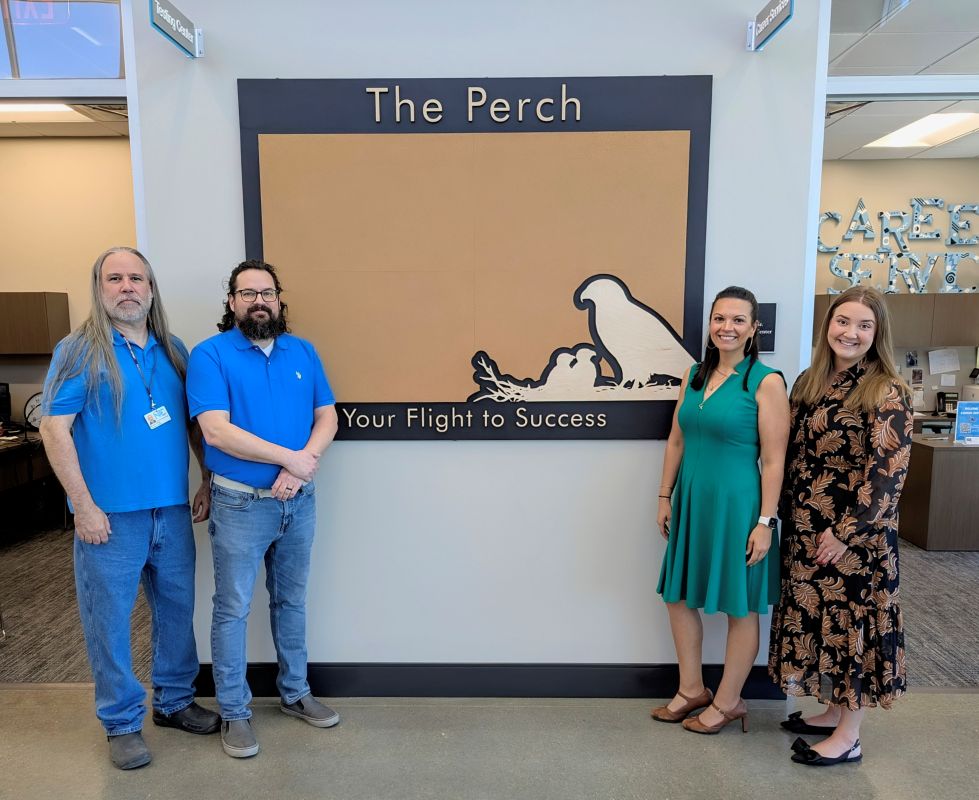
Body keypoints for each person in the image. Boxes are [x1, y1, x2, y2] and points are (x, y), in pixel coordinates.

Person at [40, 247, 220, 770]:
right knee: (110, 621)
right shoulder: (77, 350)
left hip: (171, 511)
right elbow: (54, 429)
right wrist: (83, 506)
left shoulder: (173, 348)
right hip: (109, 518)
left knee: (175, 612)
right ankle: (121, 722)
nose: (126, 287)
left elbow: (192, 423)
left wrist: (206, 478)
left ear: (151, 288)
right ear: (99, 289)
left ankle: (174, 701)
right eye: (114, 278)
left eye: (136, 278)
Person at [186, 259, 339, 759]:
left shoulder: (302, 351)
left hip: (299, 502)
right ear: (231, 303)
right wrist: (288, 458)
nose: (258, 301)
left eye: (267, 292)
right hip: (239, 504)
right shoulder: (210, 356)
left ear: (279, 300)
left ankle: (296, 694)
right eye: (247, 293)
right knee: (231, 609)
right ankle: (234, 712)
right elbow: (216, 431)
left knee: (291, 602)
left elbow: (326, 416)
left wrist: (301, 467)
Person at [769, 285, 912, 766]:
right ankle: (833, 710)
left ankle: (849, 736)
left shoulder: (885, 389)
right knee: (822, 624)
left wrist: (846, 532)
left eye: (864, 325)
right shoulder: (811, 380)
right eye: (843, 321)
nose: (850, 333)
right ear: (828, 325)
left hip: (856, 537)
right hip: (807, 529)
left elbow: (888, 474)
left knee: (853, 629)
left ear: (878, 333)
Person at [653, 286, 790, 734]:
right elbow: (677, 440)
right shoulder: (693, 374)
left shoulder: (765, 382)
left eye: (737, 320)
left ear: (753, 329)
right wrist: (663, 495)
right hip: (692, 501)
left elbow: (773, 460)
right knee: (676, 596)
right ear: (709, 325)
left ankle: (730, 700)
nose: (726, 327)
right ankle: (692, 689)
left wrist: (765, 522)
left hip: (739, 508)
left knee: (740, 607)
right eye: (719, 319)